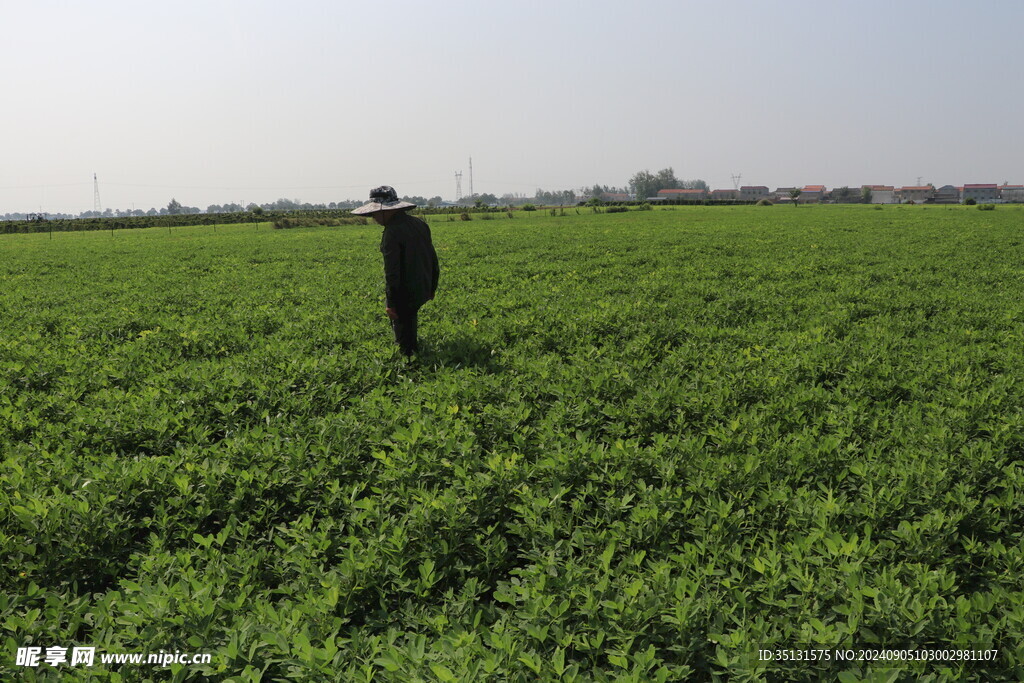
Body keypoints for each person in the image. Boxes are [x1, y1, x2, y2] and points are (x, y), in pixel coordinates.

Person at [352, 186, 440, 356]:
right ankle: (411, 351)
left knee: (404, 333)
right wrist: (432, 286)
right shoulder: (419, 224)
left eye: (376, 213)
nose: (374, 218)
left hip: (404, 292)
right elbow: (432, 257)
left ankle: (409, 362)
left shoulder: (392, 232)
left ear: (387, 211)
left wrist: (391, 303)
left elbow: (392, 272)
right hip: (423, 285)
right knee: (410, 318)